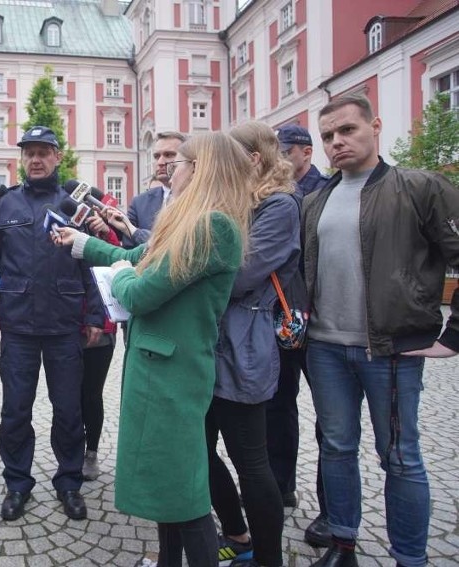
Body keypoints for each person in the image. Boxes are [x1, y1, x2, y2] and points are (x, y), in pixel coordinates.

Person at [53, 131, 253, 567]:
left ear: (199, 170)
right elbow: (140, 253)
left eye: (177, 162)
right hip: (159, 366)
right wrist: (85, 244)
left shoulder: (211, 225)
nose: (168, 168)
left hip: (172, 372)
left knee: (184, 490)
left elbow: (140, 291)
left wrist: (122, 272)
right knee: (169, 483)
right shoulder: (191, 220)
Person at [304, 93, 459, 567]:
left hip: (391, 351)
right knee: (335, 447)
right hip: (326, 349)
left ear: (376, 126)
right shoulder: (314, 200)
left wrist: (453, 337)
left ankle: (410, 558)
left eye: (347, 130)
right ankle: (343, 542)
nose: (336, 142)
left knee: (401, 458)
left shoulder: (421, 187)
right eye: (328, 135)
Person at [0, 126, 104, 521]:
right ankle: (17, 483)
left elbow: (91, 260)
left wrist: (96, 314)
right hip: (18, 326)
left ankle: (68, 483)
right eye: (29, 152)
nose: (36, 159)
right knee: (15, 410)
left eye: (44, 151)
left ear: (57, 157)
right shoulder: (6, 205)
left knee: (68, 411)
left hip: (65, 326)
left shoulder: (73, 206)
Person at [210, 121, 300, 567]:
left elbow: (241, 274)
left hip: (245, 347)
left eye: (229, 156)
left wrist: (190, 264)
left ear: (253, 158)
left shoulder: (280, 206)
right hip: (211, 344)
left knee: (251, 462)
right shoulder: (235, 202)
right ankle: (237, 533)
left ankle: (268, 559)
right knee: (200, 452)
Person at [265, 124, 332, 545]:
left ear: (304, 152)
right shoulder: (276, 193)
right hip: (285, 318)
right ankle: (281, 486)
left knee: (331, 420)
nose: (275, 161)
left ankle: (331, 508)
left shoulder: (324, 192)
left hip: (323, 322)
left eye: (281, 152)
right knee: (277, 406)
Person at [79, 210, 121, 480]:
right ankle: (70, 449)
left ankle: (91, 452)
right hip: (66, 325)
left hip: (100, 328)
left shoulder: (106, 232)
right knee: (67, 395)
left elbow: (119, 262)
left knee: (91, 394)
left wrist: (105, 232)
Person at [121, 131, 187, 248]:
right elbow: (128, 250)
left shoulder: (202, 199)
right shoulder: (139, 203)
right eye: (157, 156)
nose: (160, 162)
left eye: (169, 155)